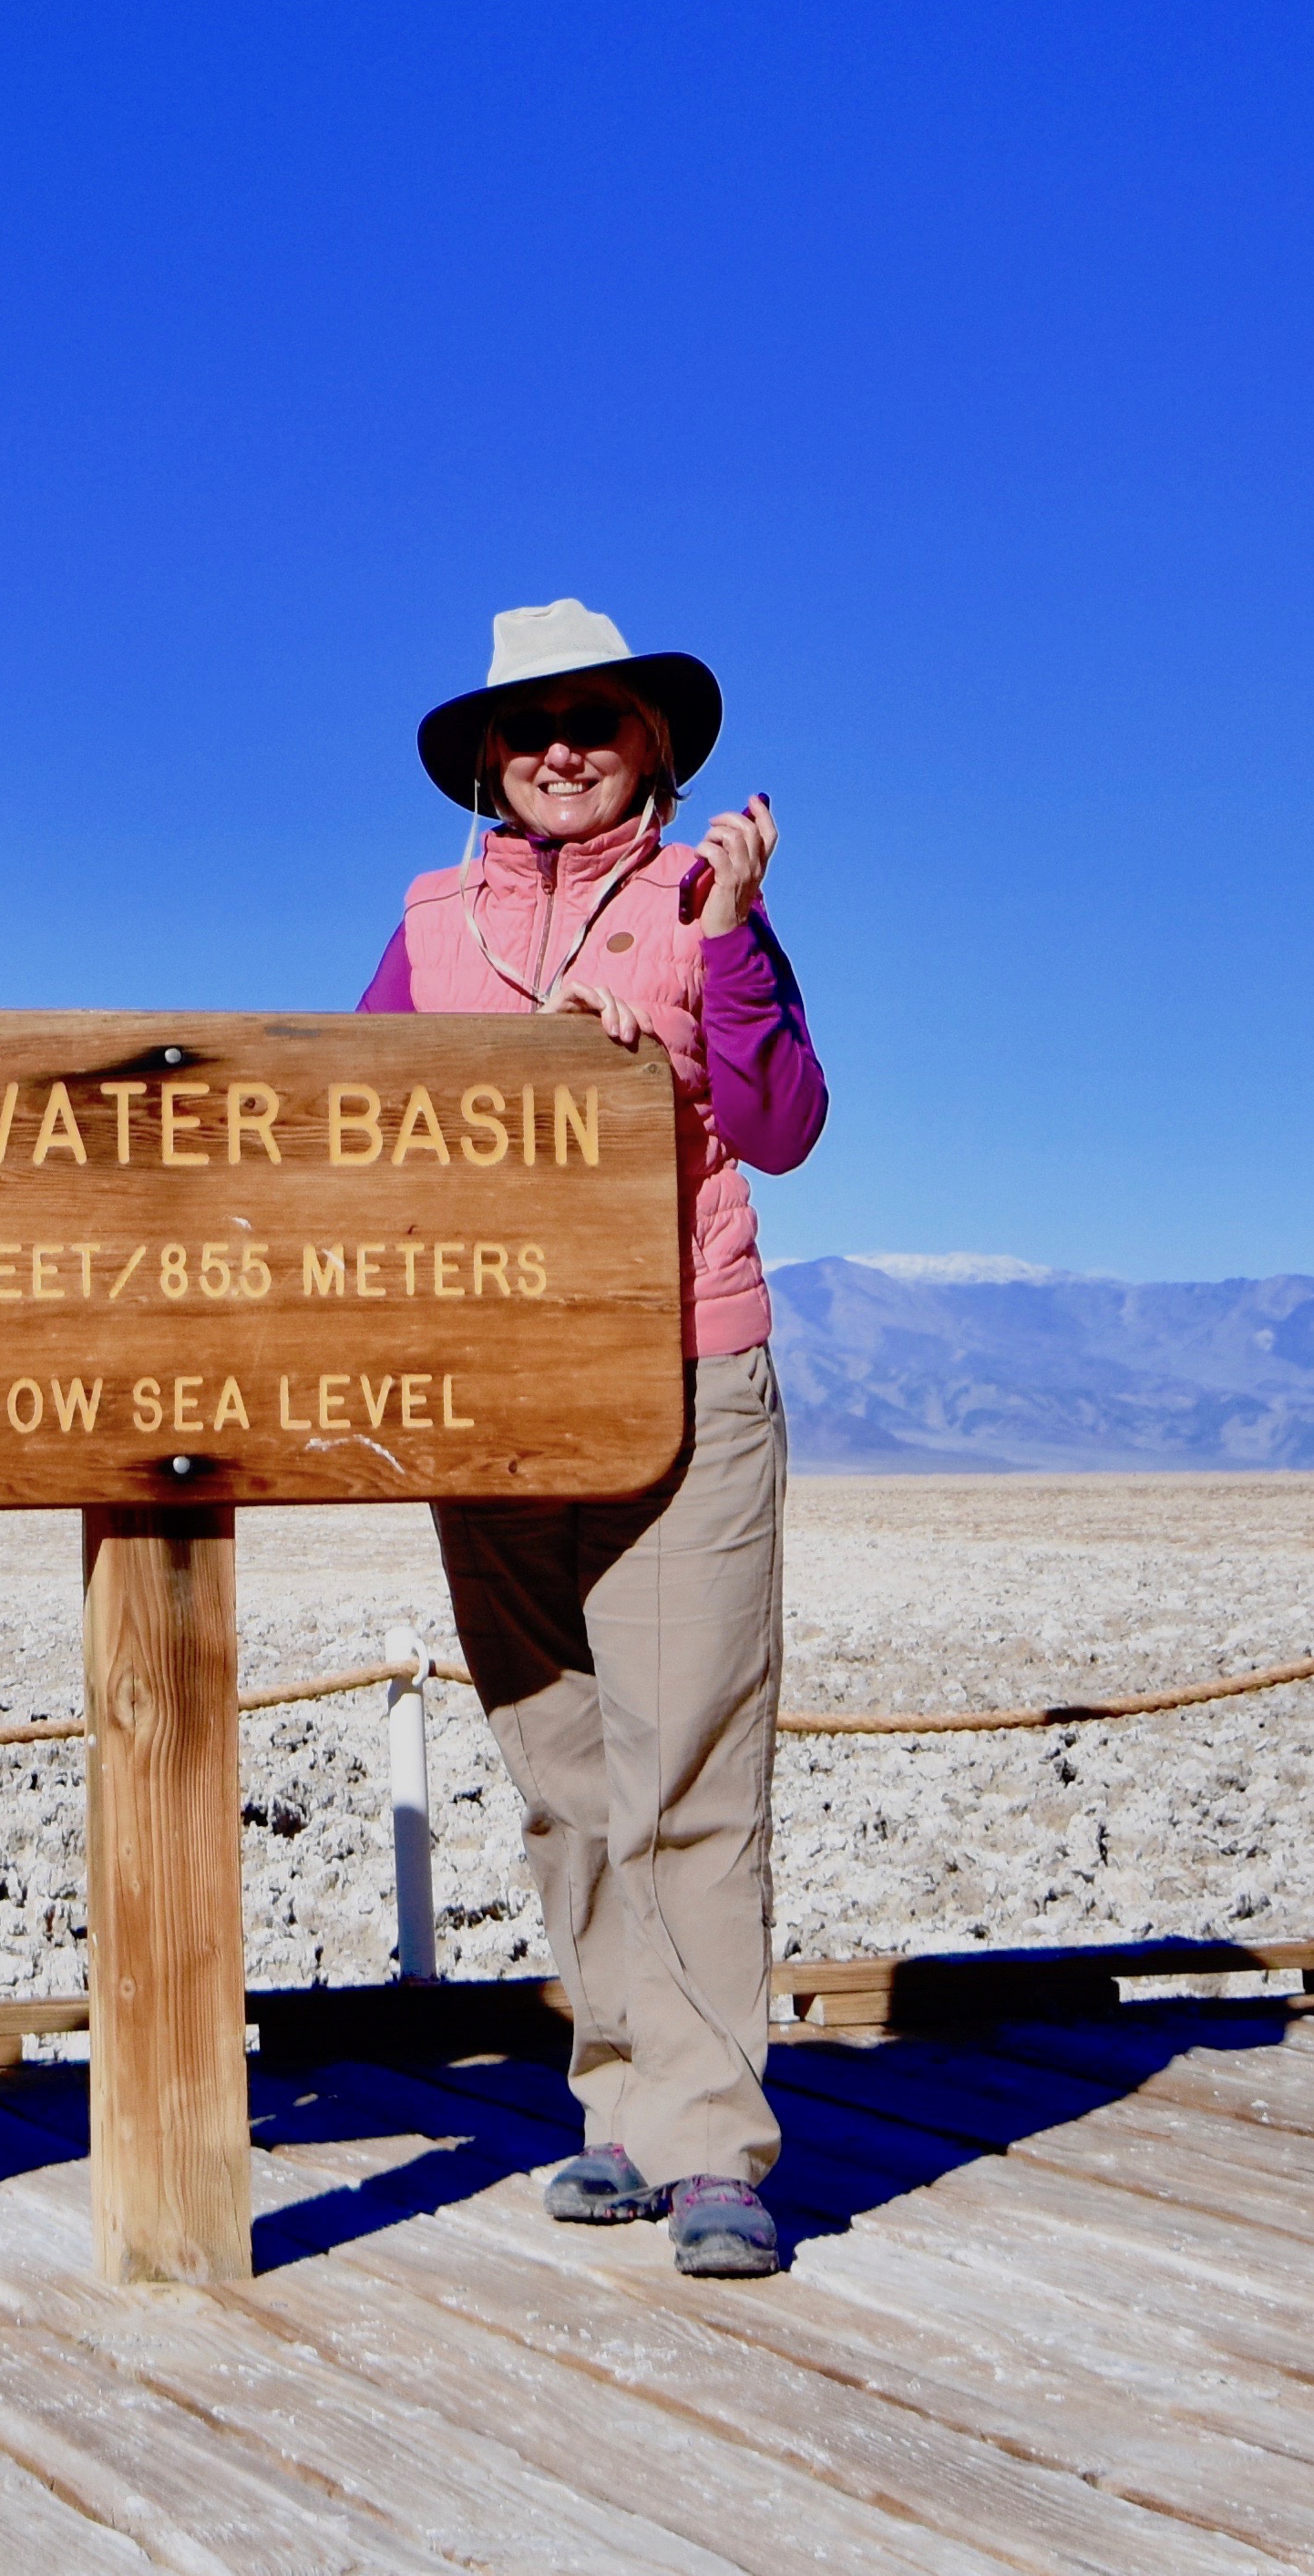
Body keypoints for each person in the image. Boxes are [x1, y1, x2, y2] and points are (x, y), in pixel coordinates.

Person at [362, 600, 826, 2279]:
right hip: (495, 1388)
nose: (561, 745)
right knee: (563, 1762)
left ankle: (715, 2147)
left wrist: (735, 941)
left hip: (682, 1367)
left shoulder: (705, 900)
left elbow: (780, 1123)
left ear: (654, 745)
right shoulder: (427, 922)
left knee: (687, 1756)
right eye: (528, 722)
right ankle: (620, 2102)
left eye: (596, 718)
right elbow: (350, 1127)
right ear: (487, 758)